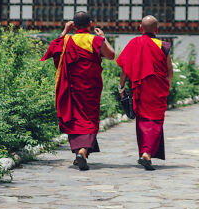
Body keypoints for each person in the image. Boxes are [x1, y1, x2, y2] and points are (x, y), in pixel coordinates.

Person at [41, 11, 115, 171]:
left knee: (74, 118)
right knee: (89, 119)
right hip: (91, 87)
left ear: (73, 25)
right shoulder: (95, 40)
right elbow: (111, 55)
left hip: (72, 87)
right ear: (90, 24)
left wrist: (65, 31)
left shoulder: (66, 40)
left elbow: (54, 49)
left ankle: (79, 153)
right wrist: (103, 37)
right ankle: (82, 152)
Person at [116, 15, 173, 171]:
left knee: (142, 121)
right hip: (158, 90)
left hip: (140, 89)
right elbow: (169, 70)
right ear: (157, 29)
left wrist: (121, 88)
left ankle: (144, 153)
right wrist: (166, 87)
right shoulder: (163, 46)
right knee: (155, 121)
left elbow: (124, 69)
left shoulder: (134, 43)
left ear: (140, 28)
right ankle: (146, 154)